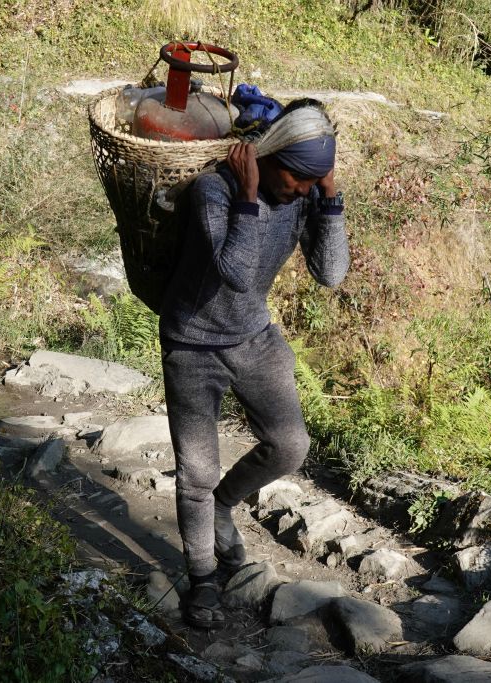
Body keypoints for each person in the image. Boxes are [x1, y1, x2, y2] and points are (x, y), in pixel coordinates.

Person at [158, 100, 350, 629]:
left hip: (254, 338)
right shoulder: (213, 192)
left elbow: (331, 274)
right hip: (192, 345)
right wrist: (247, 197)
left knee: (290, 444)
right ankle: (201, 580)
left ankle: (221, 507)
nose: (304, 187)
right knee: (195, 472)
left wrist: (329, 198)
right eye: (300, 176)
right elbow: (237, 273)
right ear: (268, 156)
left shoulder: (305, 195)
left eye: (316, 180)